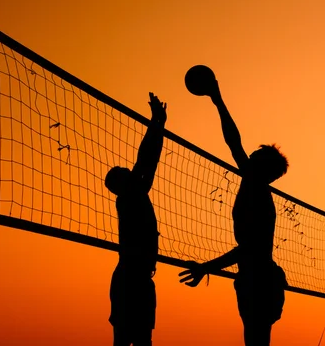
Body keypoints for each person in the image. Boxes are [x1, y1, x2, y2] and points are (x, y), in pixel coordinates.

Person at [178, 79, 289, 346]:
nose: (248, 155)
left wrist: (207, 267)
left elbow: (247, 248)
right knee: (255, 338)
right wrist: (216, 100)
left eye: (256, 156)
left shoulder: (257, 193)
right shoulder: (254, 185)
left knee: (256, 338)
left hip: (260, 280)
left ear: (264, 169)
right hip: (257, 278)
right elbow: (234, 143)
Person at [105, 92, 167, 346]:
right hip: (130, 277)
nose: (129, 169)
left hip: (138, 277)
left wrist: (158, 123)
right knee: (126, 339)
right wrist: (157, 122)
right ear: (120, 183)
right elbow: (146, 160)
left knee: (141, 339)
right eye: (124, 171)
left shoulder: (135, 193)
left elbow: (147, 162)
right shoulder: (131, 196)